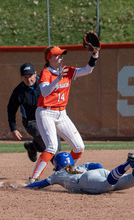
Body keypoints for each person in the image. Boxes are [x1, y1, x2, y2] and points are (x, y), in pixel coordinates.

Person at [27, 45, 99, 183]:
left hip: (61, 113)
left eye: (62, 55)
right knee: (52, 147)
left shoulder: (67, 71)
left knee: (79, 147)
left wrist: (95, 55)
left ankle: (65, 174)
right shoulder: (45, 73)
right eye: (57, 56)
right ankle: (33, 178)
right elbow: (45, 92)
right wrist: (58, 79)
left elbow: (87, 70)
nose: (61, 58)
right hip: (46, 112)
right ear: (50, 59)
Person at [24, 144, 134, 194]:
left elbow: (40, 184)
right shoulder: (81, 166)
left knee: (107, 184)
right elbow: (97, 166)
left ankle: (128, 164)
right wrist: (101, 176)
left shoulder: (58, 174)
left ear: (57, 165)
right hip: (99, 174)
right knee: (132, 181)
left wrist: (24, 188)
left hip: (86, 180)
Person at [7, 63, 62, 163]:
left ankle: (33, 147)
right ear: (21, 77)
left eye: (30, 76)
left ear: (35, 74)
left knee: (57, 145)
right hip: (31, 121)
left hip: (48, 117)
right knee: (49, 144)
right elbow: (11, 109)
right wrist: (13, 128)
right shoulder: (18, 92)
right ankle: (59, 169)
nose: (28, 80)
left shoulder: (44, 83)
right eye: (25, 77)